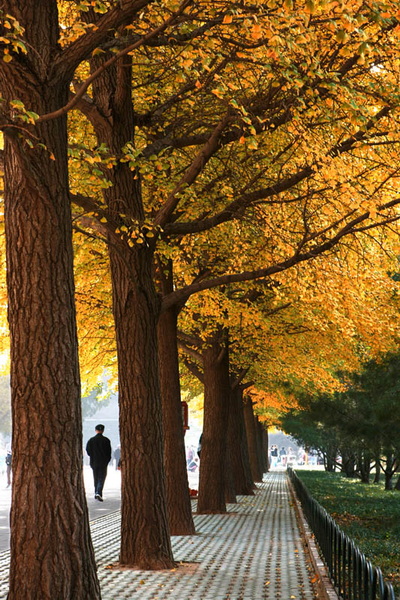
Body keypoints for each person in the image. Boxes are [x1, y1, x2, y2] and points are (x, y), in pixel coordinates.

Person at [86, 424, 112, 501]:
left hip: (94, 461)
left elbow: (88, 451)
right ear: (103, 430)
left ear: (95, 430)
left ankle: (96, 492)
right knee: (102, 477)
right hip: (103, 462)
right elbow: (109, 452)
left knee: (95, 477)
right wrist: (107, 460)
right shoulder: (106, 440)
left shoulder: (91, 440)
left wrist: (93, 457)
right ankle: (98, 492)